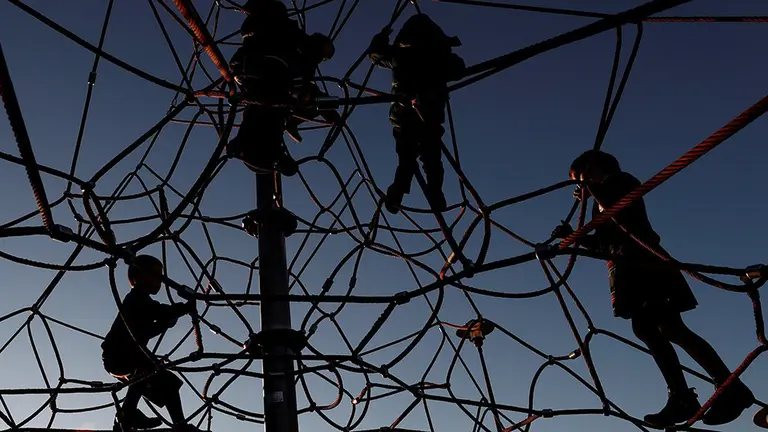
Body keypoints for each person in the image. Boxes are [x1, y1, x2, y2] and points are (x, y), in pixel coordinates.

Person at [551, 150, 754, 427]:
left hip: (646, 264)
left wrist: (593, 192)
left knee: (668, 327)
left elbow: (626, 216)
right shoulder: (602, 202)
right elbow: (602, 243)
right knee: (649, 327)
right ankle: (687, 395)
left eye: (580, 179)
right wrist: (573, 237)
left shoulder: (621, 182)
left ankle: (724, 388)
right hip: (627, 270)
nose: (578, 187)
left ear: (595, 169)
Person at [367, 14, 465, 214]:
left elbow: (376, 54)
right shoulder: (414, 56)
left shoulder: (407, 55)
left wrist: (382, 38)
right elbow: (458, 69)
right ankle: (409, 192)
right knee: (418, 159)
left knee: (422, 159)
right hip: (414, 116)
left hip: (418, 116)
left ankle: (414, 193)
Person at [101, 255, 198, 431]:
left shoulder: (141, 302)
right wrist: (183, 308)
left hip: (131, 354)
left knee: (168, 382)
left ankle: (175, 423)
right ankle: (128, 414)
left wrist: (164, 324)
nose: (157, 281)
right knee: (147, 371)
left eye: (159, 277)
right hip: (119, 354)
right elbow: (159, 311)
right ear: (136, 277)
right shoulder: (136, 299)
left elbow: (146, 330)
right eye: (152, 276)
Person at [226, 0, 305, 176]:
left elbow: (237, 63)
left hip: (268, 89)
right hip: (272, 89)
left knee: (266, 114)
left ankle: (270, 149)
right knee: (268, 113)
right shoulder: (282, 37)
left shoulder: (257, 43)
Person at [285, 32, 340, 143]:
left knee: (330, 102)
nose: (323, 59)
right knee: (324, 101)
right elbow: (299, 71)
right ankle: (293, 122)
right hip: (291, 87)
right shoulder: (308, 51)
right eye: (325, 56)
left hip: (296, 86)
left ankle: (331, 115)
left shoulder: (309, 52)